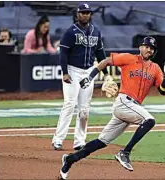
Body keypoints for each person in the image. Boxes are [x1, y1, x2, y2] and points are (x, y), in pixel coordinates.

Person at [58, 36, 165, 180]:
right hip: (124, 102)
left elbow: (163, 90)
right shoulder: (129, 58)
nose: (149, 50)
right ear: (140, 47)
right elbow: (106, 61)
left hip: (131, 108)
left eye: (151, 48)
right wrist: (90, 77)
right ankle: (125, 153)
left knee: (101, 141)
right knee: (149, 120)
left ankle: (69, 160)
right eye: (146, 46)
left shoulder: (155, 68)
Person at [51, 3, 113, 151]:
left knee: (84, 109)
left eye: (88, 13)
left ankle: (79, 141)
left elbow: (100, 54)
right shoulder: (70, 32)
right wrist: (65, 72)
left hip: (88, 72)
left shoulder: (95, 32)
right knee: (69, 104)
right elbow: (63, 53)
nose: (85, 15)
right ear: (77, 14)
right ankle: (58, 139)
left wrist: (106, 75)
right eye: (83, 12)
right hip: (72, 71)